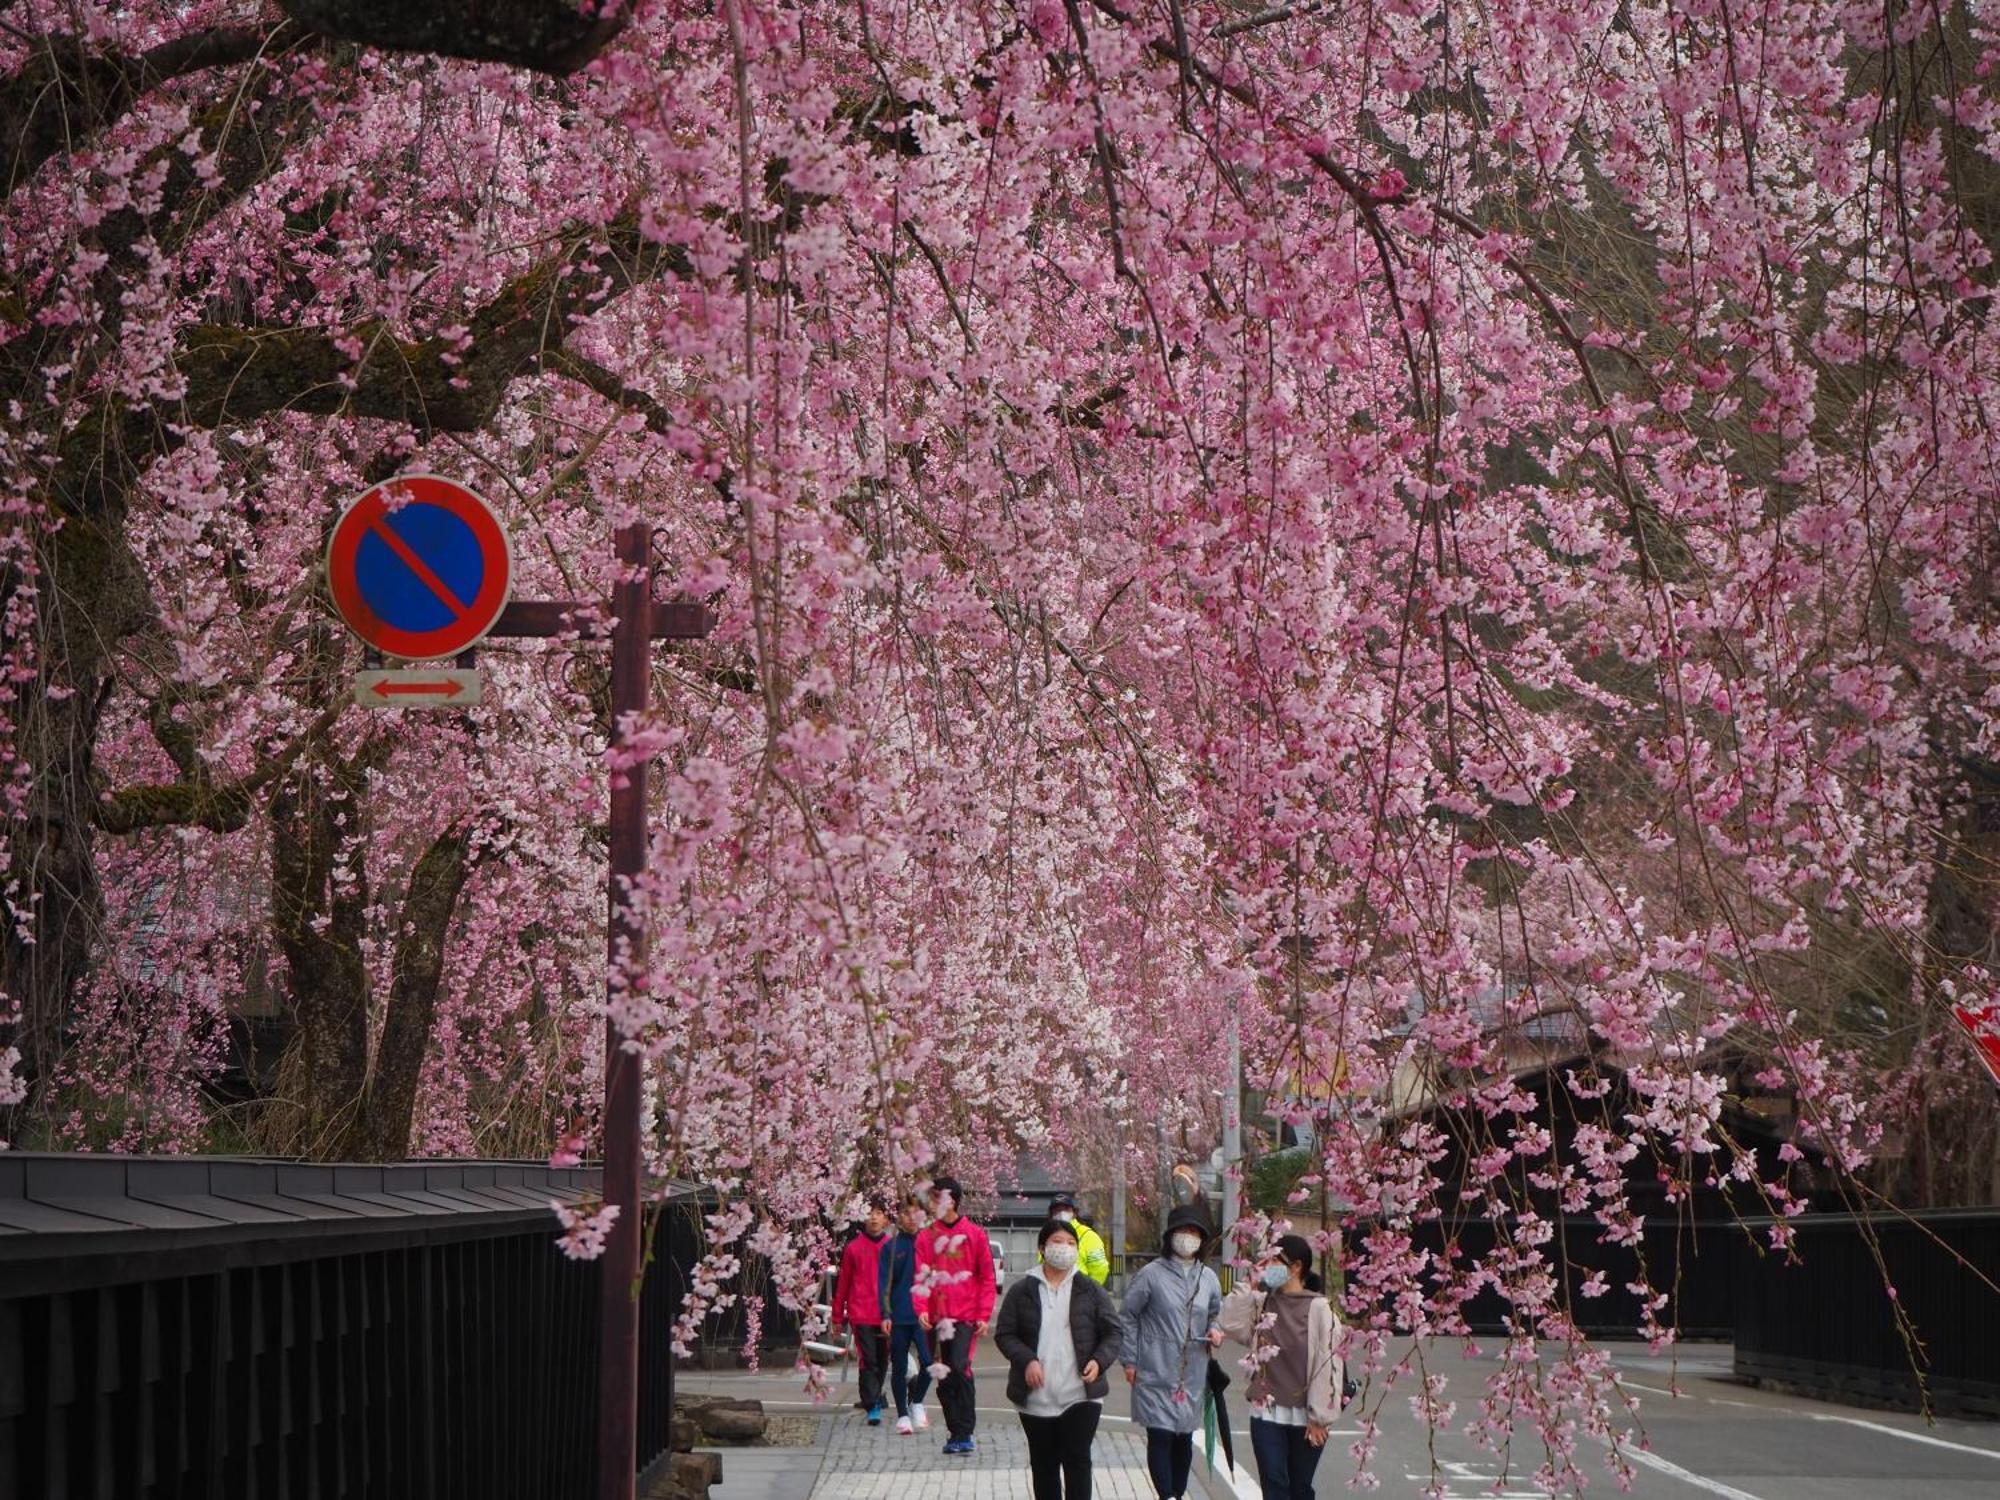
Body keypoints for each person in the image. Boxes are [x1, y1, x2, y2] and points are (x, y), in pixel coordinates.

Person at [996, 1218, 1124, 1500]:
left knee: (1078, 1460)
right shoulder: (1022, 1291)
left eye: (1070, 1244)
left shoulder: (1090, 1290)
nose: (1064, 1248)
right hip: (1036, 1397)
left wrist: (1100, 1361)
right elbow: (1005, 1334)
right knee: (1044, 1467)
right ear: (1042, 1247)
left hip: (1080, 1393)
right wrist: (1027, 1360)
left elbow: (1114, 1332)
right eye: (1057, 1242)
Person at [1218, 1233, 1345, 1500]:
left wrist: (1320, 1417)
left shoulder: (1320, 1309)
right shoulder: (1262, 1301)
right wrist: (1250, 1281)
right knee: (1274, 1485)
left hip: (1305, 1416)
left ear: (1296, 1266)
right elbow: (1229, 1322)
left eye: (1274, 1260)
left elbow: (1329, 1363)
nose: (1267, 1265)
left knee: (1299, 1489)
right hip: (1266, 1414)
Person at [1121, 1205, 1223, 1500]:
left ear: (1202, 1240)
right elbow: (1127, 1315)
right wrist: (1130, 1359)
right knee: (1161, 1434)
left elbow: (1216, 1313)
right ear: (1170, 1236)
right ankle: (1166, 1495)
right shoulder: (1150, 1275)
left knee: (1183, 1437)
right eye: (1183, 1231)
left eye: (1194, 1233)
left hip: (1192, 1370)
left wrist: (1215, 1330)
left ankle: (1177, 1493)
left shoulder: (1209, 1278)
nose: (1188, 1238)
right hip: (1154, 1367)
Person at [914, 1174, 997, 1455]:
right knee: (943, 1374)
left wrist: (984, 1314)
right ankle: (955, 1431)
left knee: (960, 1368)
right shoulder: (926, 1237)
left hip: (964, 1317)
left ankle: (965, 1431)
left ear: (953, 1201)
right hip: (936, 1318)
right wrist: (922, 1308)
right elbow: (920, 1276)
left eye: (939, 1198)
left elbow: (986, 1278)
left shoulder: (974, 1235)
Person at [830, 1197, 892, 1425]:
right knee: (868, 1360)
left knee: (883, 1360)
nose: (874, 1217)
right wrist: (837, 1317)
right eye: (870, 1212)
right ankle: (872, 1404)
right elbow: (843, 1284)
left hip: (886, 1313)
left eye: (878, 1212)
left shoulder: (892, 1247)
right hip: (861, 1313)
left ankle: (876, 1397)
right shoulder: (853, 1249)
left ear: (886, 1218)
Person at [878, 1194, 934, 1435]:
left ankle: (917, 1401)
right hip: (900, 1315)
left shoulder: (930, 1242)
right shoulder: (891, 1247)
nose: (912, 1219)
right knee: (899, 1366)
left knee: (929, 1362)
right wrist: (885, 1314)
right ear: (898, 1217)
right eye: (906, 1213)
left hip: (925, 1315)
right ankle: (902, 1414)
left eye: (916, 1213)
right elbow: (884, 1284)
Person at [1048, 1192, 1112, 1285]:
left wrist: (1090, 1290)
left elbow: (1100, 1267)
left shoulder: (1088, 1235)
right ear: (1051, 1214)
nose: (1061, 1213)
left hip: (1079, 1293)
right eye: (1056, 1210)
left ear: (1074, 1213)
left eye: (1066, 1209)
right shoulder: (1048, 1235)